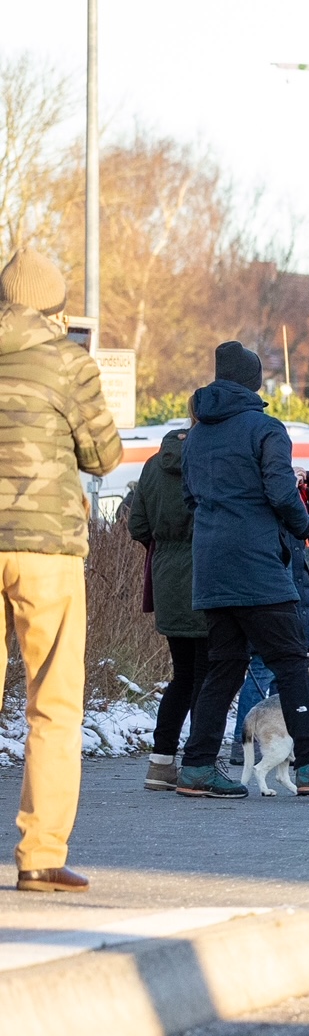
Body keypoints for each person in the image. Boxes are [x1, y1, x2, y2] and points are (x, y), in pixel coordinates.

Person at [174, 341, 309, 801]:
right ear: (253, 381)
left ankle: (197, 766)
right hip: (258, 569)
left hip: (212, 571)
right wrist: (306, 523)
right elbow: (282, 496)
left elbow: (189, 501)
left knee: (223, 668)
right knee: (292, 664)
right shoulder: (265, 429)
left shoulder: (195, 436)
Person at [0, 251, 120, 886]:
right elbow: (103, 454)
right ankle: (41, 856)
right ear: (54, 306)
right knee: (52, 703)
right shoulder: (69, 363)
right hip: (45, 548)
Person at [126, 427, 205, 793]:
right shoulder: (206, 461)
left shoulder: (151, 466)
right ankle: (199, 763)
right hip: (207, 575)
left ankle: (160, 763)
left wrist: (165, 552)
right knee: (209, 677)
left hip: (166, 578)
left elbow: (137, 525)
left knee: (182, 675)